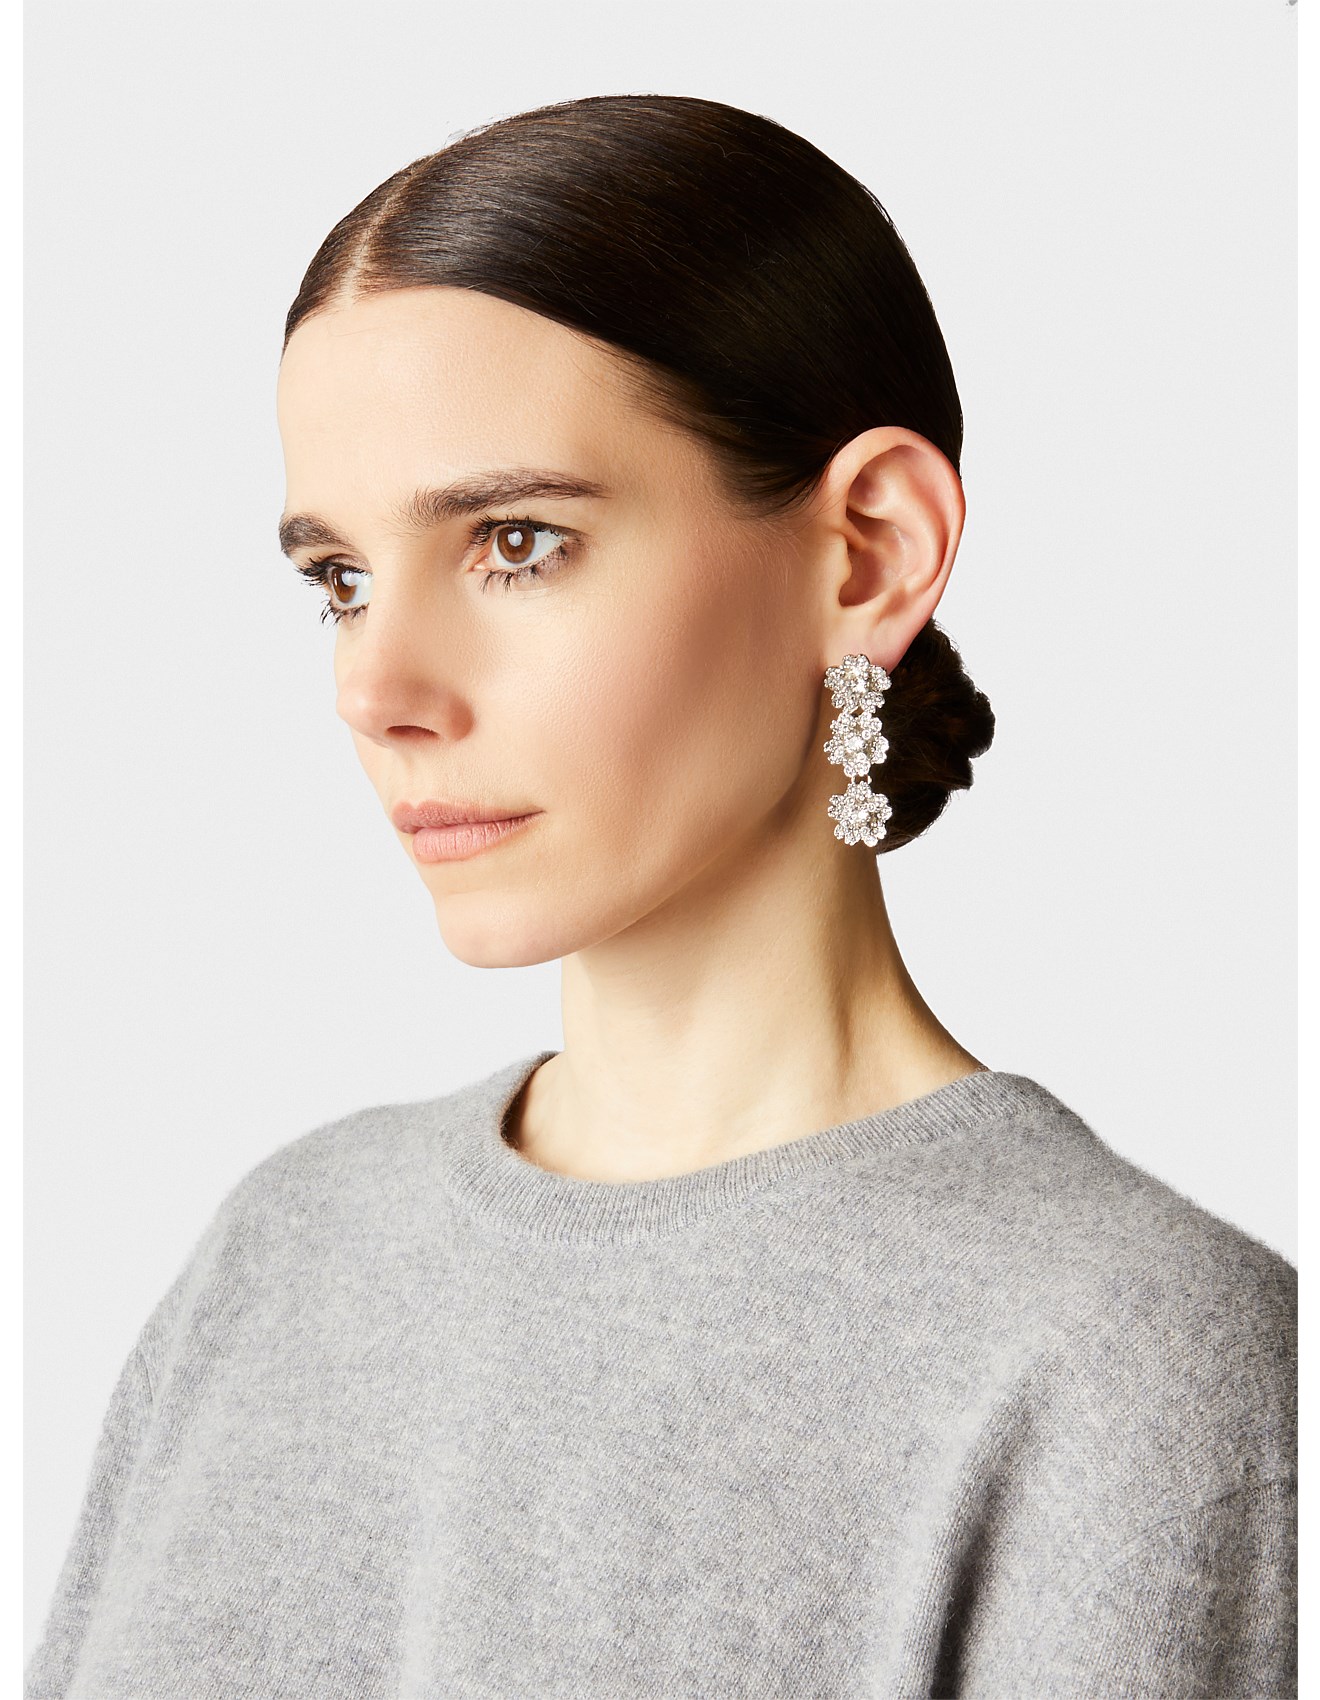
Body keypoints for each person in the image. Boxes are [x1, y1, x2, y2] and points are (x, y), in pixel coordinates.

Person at [27, 93, 1295, 1699]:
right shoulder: (286, 1248)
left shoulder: (1134, 1352)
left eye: (515, 542)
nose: (375, 687)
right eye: (338, 579)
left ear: (869, 553)